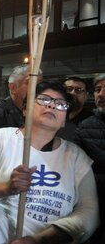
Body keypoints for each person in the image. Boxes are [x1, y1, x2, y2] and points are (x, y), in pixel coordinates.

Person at [0, 81, 99, 244]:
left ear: (64, 121)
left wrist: (40, 239)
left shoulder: (76, 157)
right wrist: (6, 188)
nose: (52, 105)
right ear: (25, 109)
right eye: (44, 99)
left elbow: (89, 212)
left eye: (61, 104)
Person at [75, 73, 105, 243]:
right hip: (93, 205)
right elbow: (78, 173)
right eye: (98, 89)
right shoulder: (85, 128)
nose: (101, 94)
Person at [0, 65, 42, 138]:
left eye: (40, 84)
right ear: (13, 88)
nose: (37, 88)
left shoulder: (41, 112)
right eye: (30, 83)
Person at [56, 76, 93, 141]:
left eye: (78, 90)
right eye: (69, 89)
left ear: (85, 96)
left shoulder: (92, 122)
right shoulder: (51, 115)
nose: (73, 93)